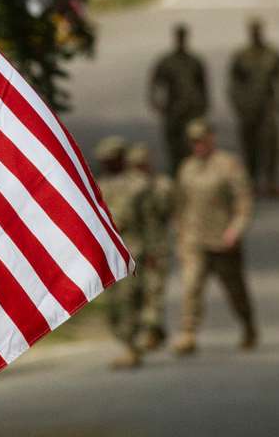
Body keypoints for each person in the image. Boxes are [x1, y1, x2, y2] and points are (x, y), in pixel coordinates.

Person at [172, 119, 258, 356]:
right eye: (193, 141)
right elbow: (180, 205)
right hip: (194, 240)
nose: (198, 145)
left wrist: (235, 229)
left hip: (222, 241)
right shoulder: (186, 168)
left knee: (235, 290)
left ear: (211, 138)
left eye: (202, 140)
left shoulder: (228, 166)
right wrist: (180, 234)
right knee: (191, 286)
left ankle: (248, 324)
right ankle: (188, 333)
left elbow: (244, 202)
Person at [94, 135, 153, 368]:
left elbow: (150, 222)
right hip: (110, 253)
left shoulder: (138, 185)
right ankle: (128, 340)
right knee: (114, 305)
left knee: (129, 299)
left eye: (110, 160)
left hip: (133, 247)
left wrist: (153, 252)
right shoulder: (101, 186)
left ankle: (132, 346)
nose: (106, 164)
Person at [227, 17, 279, 197]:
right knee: (249, 145)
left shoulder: (272, 55)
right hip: (248, 107)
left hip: (267, 107)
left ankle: (271, 182)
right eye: (253, 31)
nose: (256, 34)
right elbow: (233, 82)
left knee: (271, 144)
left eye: (258, 30)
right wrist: (238, 104)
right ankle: (251, 181)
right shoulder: (241, 56)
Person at [126, 143, 175, 351]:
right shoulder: (127, 186)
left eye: (142, 165)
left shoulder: (161, 185)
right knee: (137, 291)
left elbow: (169, 209)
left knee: (154, 290)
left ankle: (151, 331)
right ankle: (153, 330)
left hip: (157, 246)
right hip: (136, 247)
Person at [149, 24, 210, 173]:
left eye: (183, 37)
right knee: (174, 147)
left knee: (193, 145)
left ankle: (192, 177)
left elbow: (203, 86)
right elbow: (155, 83)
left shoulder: (194, 61)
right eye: (179, 37)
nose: (181, 40)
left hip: (192, 111)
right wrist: (156, 103)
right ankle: (176, 175)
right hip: (174, 111)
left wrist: (203, 106)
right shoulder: (167, 62)